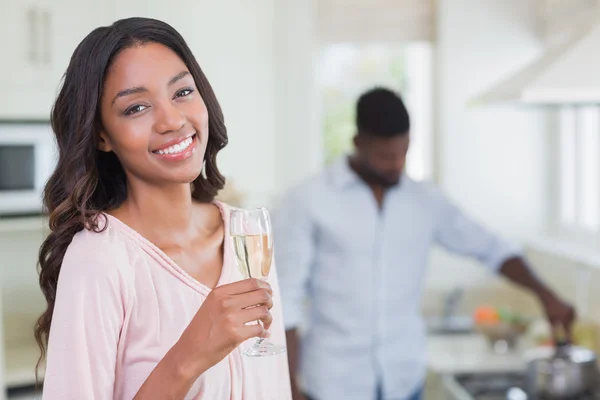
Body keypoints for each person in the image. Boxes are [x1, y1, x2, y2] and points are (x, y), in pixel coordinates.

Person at [34, 17, 291, 400]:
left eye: (182, 92)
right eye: (136, 107)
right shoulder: (99, 259)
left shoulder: (247, 234)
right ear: (102, 135)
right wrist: (187, 358)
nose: (172, 120)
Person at [274, 87, 575, 400]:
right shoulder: (308, 200)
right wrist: (288, 389)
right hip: (334, 383)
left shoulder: (425, 201)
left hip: (405, 380)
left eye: (403, 151)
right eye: (385, 156)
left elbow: (491, 248)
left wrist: (546, 295)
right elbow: (286, 302)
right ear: (358, 143)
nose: (397, 163)